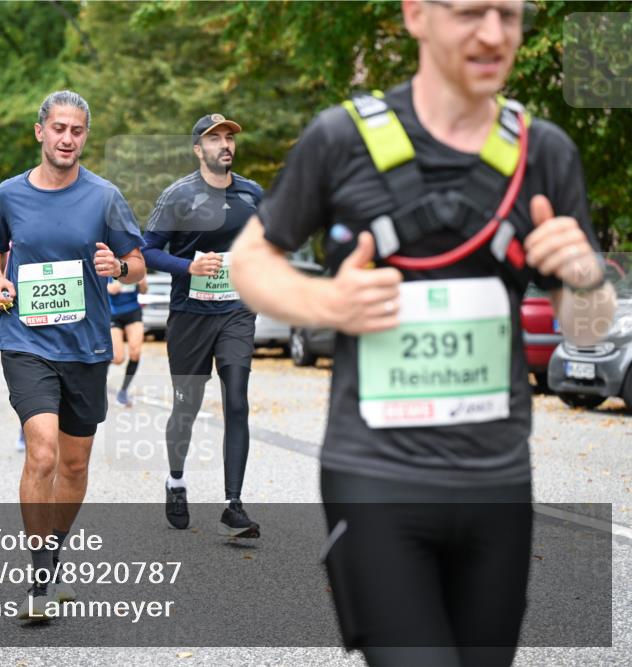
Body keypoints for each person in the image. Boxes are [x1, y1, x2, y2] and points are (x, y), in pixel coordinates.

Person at [230, 2, 616, 665]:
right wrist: (330, 301)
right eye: (470, 12)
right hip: (376, 476)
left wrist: (582, 277)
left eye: (509, 13)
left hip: (497, 480)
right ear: (415, 15)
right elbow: (248, 261)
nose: (494, 34)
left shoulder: (544, 151)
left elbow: (590, 324)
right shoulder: (340, 139)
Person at [0, 90, 145, 618]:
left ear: (85, 137)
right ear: (40, 132)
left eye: (76, 131)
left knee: (74, 466)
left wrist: (117, 269)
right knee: (44, 452)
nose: (67, 139)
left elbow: (137, 262)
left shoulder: (104, 197)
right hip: (25, 340)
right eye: (58, 128)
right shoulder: (9, 194)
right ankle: (39, 579)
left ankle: (53, 554)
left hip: (87, 345)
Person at [142, 113, 264, 538]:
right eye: (215, 139)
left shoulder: (252, 194)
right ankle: (176, 481)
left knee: (236, 399)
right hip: (190, 316)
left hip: (236, 311)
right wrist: (187, 266)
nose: (225, 144)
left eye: (230, 137)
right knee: (187, 407)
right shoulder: (178, 195)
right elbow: (147, 252)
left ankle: (234, 505)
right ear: (198, 149)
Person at [107, 276, 147, 407]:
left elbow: (144, 291)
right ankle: (100, 369)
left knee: (135, 353)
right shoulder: (107, 260)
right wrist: (108, 288)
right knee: (118, 358)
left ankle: (123, 391)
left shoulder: (135, 261)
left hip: (133, 311)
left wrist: (142, 283)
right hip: (113, 312)